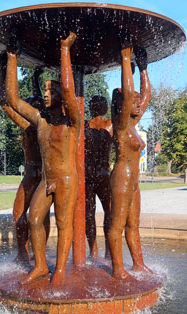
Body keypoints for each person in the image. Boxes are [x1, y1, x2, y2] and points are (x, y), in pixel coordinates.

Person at [5, 32, 80, 286]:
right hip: (46, 181)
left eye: (51, 90)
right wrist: (13, 58)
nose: (46, 94)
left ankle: (58, 271)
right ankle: (39, 265)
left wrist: (64, 50)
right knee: (34, 219)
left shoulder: (72, 122)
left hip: (66, 180)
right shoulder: (40, 120)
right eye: (45, 90)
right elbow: (13, 99)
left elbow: (70, 90)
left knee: (63, 224)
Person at [107, 45, 152, 280]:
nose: (138, 104)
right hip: (122, 178)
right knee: (117, 225)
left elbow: (147, 97)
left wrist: (143, 68)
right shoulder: (122, 125)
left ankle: (139, 264)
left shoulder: (133, 125)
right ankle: (118, 269)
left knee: (133, 225)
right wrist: (126, 60)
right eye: (133, 101)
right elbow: (128, 93)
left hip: (134, 180)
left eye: (137, 101)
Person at [0, 58, 49, 264]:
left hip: (34, 175)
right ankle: (29, 254)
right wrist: (36, 77)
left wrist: (3, 70)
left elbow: (5, 103)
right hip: (38, 174)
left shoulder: (30, 126)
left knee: (24, 215)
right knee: (29, 215)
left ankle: (27, 255)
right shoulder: (40, 125)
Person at [84, 95, 112, 260]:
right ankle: (93, 250)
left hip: (102, 175)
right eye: (97, 103)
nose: (101, 106)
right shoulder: (85, 125)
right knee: (89, 214)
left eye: (103, 103)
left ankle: (108, 250)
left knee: (109, 212)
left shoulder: (110, 125)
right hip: (90, 175)